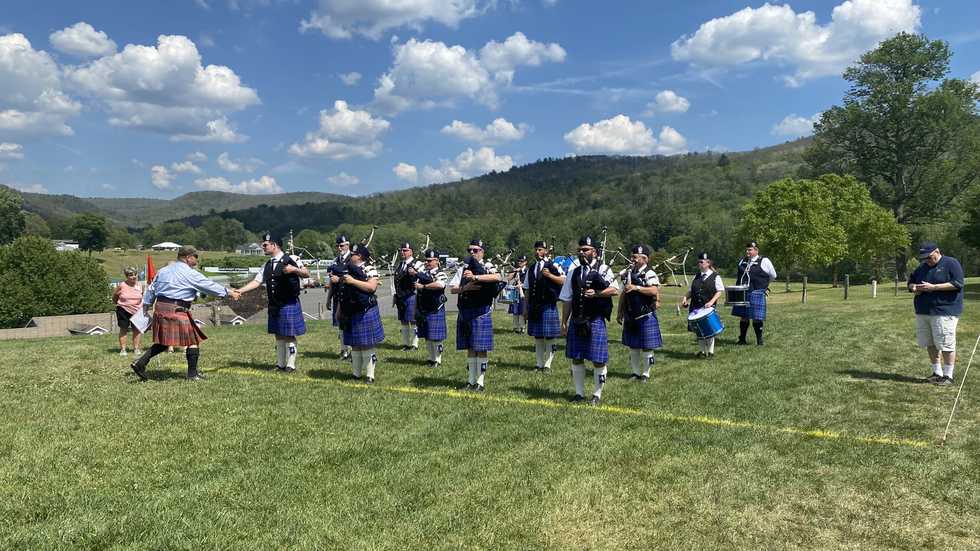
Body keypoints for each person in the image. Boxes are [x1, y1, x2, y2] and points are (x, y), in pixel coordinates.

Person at [130, 246, 239, 381]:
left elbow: (152, 289)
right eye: (195, 257)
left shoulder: (163, 270)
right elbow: (208, 285)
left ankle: (140, 363)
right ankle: (192, 374)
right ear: (188, 257)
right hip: (177, 308)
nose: (197, 260)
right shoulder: (189, 273)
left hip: (161, 307)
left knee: (164, 341)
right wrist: (229, 292)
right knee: (193, 340)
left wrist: (146, 305)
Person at [235, 233, 310, 373]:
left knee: (289, 334)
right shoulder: (267, 264)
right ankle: (280, 364)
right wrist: (240, 291)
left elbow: (306, 273)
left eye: (265, 244)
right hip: (275, 303)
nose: (263, 247)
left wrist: (294, 269)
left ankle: (291, 365)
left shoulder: (292, 259)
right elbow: (257, 281)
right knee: (278, 334)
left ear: (274, 245)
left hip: (288, 302)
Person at [560, 236, 619, 405]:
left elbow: (615, 290)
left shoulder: (604, 269)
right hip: (577, 319)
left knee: (598, 359)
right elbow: (567, 299)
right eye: (580, 250)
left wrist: (598, 293)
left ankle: (597, 394)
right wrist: (564, 322)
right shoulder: (574, 272)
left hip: (595, 319)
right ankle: (579, 394)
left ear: (595, 251)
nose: (582, 252)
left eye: (585, 249)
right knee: (577, 357)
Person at [907, 242, 965, 386]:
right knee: (930, 342)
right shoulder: (922, 267)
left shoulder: (951, 263)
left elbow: (958, 283)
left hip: (944, 311)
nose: (927, 260)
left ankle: (948, 376)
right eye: (924, 258)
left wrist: (933, 287)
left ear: (937, 252)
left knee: (945, 343)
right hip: (924, 311)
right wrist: (913, 287)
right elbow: (911, 282)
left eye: (929, 257)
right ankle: (936, 372)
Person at [449, 239, 502, 392]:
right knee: (470, 347)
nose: (472, 253)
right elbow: (453, 289)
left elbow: (497, 277)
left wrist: (476, 277)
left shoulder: (488, 266)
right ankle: (471, 381)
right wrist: (465, 287)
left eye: (476, 250)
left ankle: (480, 382)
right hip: (465, 310)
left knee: (481, 347)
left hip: (481, 311)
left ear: (482, 252)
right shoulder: (463, 268)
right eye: (470, 250)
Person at [338, 244, 384, 383]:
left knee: (367, 343)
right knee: (355, 343)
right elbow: (342, 291)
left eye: (354, 253)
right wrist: (340, 309)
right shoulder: (346, 269)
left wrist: (353, 281)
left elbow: (371, 287)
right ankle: (356, 374)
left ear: (361, 256)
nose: (351, 255)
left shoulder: (369, 269)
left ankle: (370, 375)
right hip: (350, 309)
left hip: (365, 310)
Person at [616, 245, 662, 382]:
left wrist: (636, 287)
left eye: (635, 257)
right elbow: (623, 293)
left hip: (645, 314)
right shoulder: (629, 272)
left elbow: (654, 290)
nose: (632, 259)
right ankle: (635, 373)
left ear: (645, 259)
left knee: (647, 347)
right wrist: (620, 312)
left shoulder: (650, 273)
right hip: (631, 314)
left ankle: (646, 374)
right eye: (632, 256)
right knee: (633, 346)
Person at [524, 240, 565, 371]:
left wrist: (550, 275)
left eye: (540, 249)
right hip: (535, 305)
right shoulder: (531, 268)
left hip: (548, 305)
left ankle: (548, 364)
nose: (537, 252)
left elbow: (563, 280)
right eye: (536, 249)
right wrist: (525, 308)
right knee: (538, 336)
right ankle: (539, 363)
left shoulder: (554, 265)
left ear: (546, 251)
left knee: (549, 336)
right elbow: (527, 289)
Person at [732, 241, 777, 345]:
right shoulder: (742, 261)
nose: (747, 251)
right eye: (747, 249)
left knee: (757, 317)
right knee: (743, 316)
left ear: (756, 250)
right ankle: (742, 339)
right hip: (742, 292)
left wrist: (764, 285)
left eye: (750, 250)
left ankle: (759, 340)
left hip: (756, 292)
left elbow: (773, 275)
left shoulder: (764, 261)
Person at [682, 252, 725, 358]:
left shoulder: (716, 276)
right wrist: (685, 298)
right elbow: (690, 291)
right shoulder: (696, 276)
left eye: (702, 262)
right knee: (699, 330)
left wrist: (711, 302)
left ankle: (710, 352)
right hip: (695, 307)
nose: (699, 264)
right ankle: (701, 352)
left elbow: (719, 291)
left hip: (708, 308)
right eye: (699, 262)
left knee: (709, 330)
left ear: (708, 263)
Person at [415, 249, 448, 367]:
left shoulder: (441, 273)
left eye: (430, 261)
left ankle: (438, 360)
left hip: (435, 308)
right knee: (427, 336)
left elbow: (440, 285)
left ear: (437, 261)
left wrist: (423, 286)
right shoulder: (423, 272)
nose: (427, 263)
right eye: (426, 260)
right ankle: (431, 358)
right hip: (424, 307)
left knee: (436, 337)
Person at [393, 242, 425, 351]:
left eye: (405, 250)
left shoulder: (417, 263)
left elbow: (423, 276)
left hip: (412, 294)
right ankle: (406, 344)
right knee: (404, 320)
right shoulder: (400, 264)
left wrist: (415, 272)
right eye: (401, 250)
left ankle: (415, 344)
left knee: (413, 320)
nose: (402, 252)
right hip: (400, 296)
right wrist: (395, 295)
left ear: (411, 251)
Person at [328, 234, 353, 360]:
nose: (339, 248)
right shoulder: (335, 260)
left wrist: (339, 279)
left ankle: (352, 351)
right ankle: (343, 350)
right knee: (340, 325)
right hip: (337, 296)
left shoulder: (353, 259)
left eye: (342, 245)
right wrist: (328, 298)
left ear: (347, 245)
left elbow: (355, 279)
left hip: (350, 296)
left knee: (349, 324)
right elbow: (332, 282)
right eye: (337, 246)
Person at [113, 266, 143, 356]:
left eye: (135, 274)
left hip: (137, 310)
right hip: (123, 309)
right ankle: (123, 349)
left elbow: (141, 296)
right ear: (127, 276)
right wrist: (118, 304)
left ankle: (136, 348)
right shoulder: (122, 285)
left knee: (137, 330)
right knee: (123, 329)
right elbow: (114, 297)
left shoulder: (139, 285)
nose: (133, 276)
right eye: (131, 275)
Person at [507, 255, 529, 333]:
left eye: (521, 261)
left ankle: (522, 327)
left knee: (522, 310)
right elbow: (508, 278)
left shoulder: (527, 271)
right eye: (518, 261)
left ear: (525, 262)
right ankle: (515, 327)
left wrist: (521, 285)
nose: (519, 262)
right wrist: (514, 272)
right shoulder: (516, 270)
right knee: (515, 310)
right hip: (516, 292)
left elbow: (529, 283)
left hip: (523, 292)